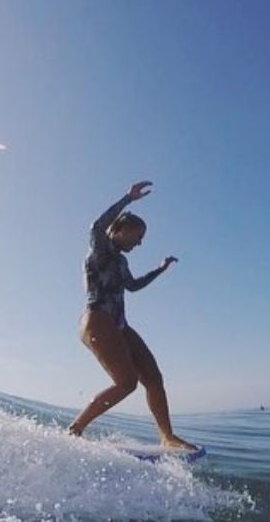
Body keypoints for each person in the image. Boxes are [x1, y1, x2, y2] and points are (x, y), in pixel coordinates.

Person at [68, 181, 195, 450]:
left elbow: (133, 286)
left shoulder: (122, 261)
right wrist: (128, 198)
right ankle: (75, 429)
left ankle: (167, 436)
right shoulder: (101, 248)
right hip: (98, 319)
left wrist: (160, 270)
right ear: (120, 229)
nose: (140, 243)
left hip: (119, 324)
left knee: (153, 376)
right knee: (127, 383)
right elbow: (95, 226)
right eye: (137, 236)